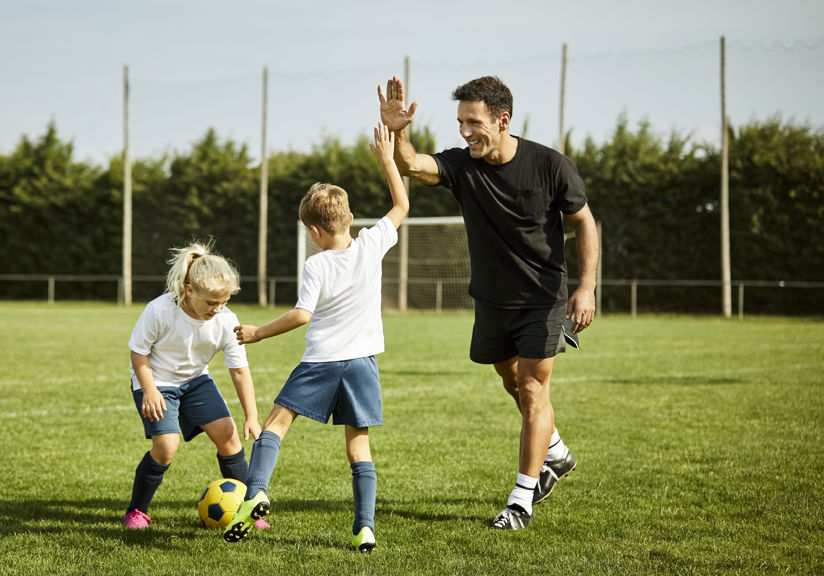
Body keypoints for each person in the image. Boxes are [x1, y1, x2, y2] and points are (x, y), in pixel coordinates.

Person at [377, 75, 599, 530]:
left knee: (535, 390)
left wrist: (586, 286)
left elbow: (585, 223)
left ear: (502, 120)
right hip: (493, 300)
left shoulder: (551, 166)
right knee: (511, 377)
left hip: (543, 297)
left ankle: (521, 501)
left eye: (473, 122)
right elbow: (413, 165)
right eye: (460, 122)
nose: (464, 132)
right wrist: (398, 130)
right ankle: (555, 452)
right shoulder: (464, 166)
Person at [223, 122, 409, 553]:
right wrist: (386, 158)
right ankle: (365, 528)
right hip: (362, 363)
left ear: (314, 231)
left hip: (322, 361)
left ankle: (256, 494)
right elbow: (401, 203)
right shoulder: (371, 244)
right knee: (358, 446)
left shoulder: (316, 265)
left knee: (275, 424)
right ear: (348, 218)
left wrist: (257, 333)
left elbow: (302, 315)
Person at [123, 241, 263, 530]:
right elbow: (139, 352)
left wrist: (252, 416)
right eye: (212, 302)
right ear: (189, 290)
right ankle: (136, 511)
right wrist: (149, 390)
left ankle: (245, 510)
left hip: (196, 381)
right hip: (156, 381)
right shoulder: (160, 310)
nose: (218, 309)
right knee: (166, 448)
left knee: (229, 436)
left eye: (224, 301)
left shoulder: (227, 320)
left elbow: (239, 370)